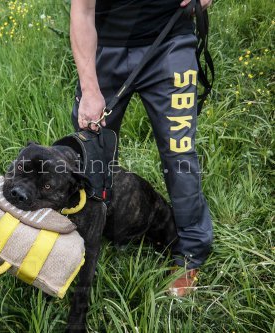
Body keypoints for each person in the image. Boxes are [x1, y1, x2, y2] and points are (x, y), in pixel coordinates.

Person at [70, 0, 213, 296]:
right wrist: (90, 89)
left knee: (179, 153)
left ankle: (191, 253)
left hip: (169, 40)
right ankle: (88, 237)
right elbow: (82, 11)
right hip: (104, 46)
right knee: (91, 152)